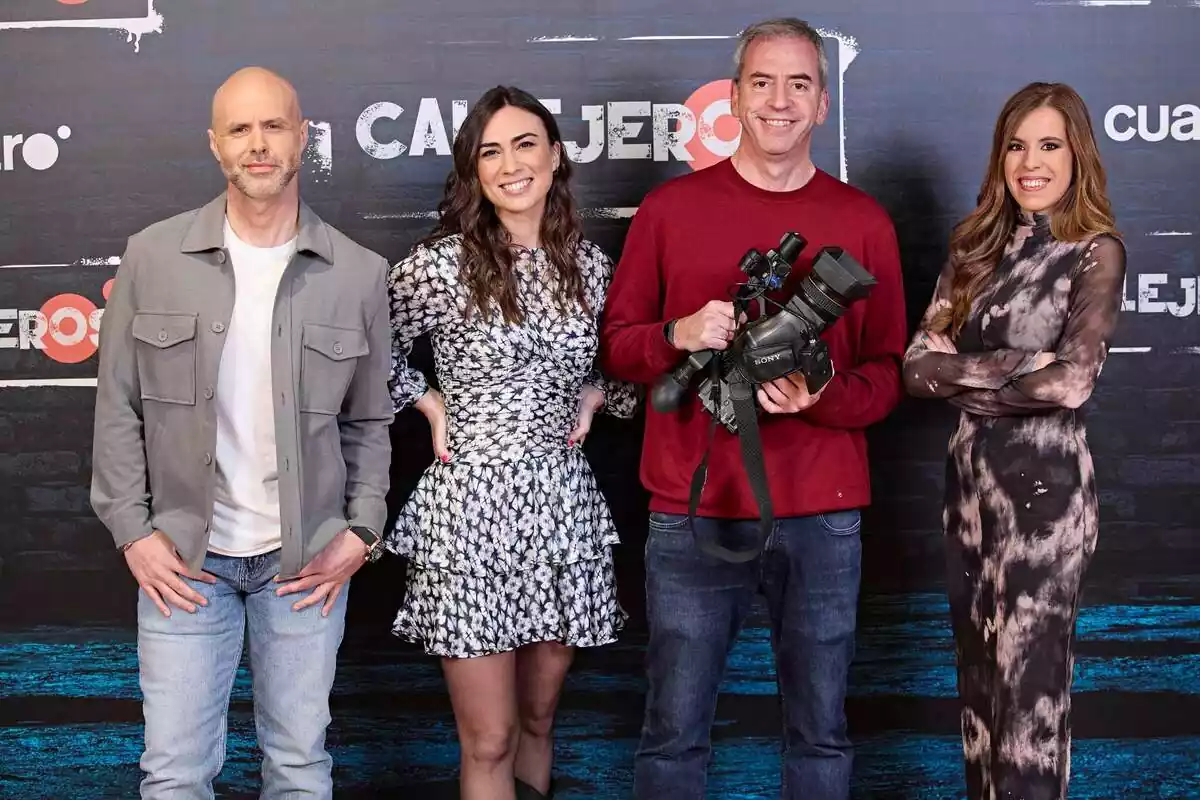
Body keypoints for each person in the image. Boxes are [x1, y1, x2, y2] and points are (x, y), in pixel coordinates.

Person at [599, 18, 908, 800]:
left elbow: (890, 375)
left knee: (821, 736)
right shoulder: (670, 211)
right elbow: (618, 346)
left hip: (825, 513)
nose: (780, 101)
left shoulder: (863, 223)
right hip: (692, 506)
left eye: (799, 83)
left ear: (824, 103)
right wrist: (680, 334)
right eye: (763, 82)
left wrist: (823, 396)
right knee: (673, 734)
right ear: (732, 98)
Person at [90, 66, 393, 798]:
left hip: (308, 565)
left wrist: (362, 528)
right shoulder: (153, 256)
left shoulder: (358, 272)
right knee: (174, 774)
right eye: (240, 129)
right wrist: (134, 531)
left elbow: (371, 420)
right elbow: (117, 404)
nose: (258, 145)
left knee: (297, 768)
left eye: (274, 126)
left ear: (302, 137)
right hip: (185, 565)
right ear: (215, 145)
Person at [384, 85, 637, 800]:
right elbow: (367, 358)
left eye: (525, 144)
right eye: (489, 151)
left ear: (555, 156)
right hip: (468, 513)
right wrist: (429, 403)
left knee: (538, 718)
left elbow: (622, 381)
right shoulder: (437, 265)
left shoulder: (589, 267)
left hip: (560, 511)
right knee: (489, 737)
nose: (510, 164)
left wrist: (596, 393)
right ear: (473, 171)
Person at [902, 82, 1126, 799]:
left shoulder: (1095, 251)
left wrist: (962, 377)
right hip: (967, 495)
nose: (1031, 161)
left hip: (1046, 499)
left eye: (1050, 144)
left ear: (1076, 155)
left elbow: (1070, 384)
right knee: (979, 693)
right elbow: (914, 369)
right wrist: (1013, 366)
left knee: (1030, 696)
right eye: (1017, 144)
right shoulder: (973, 249)